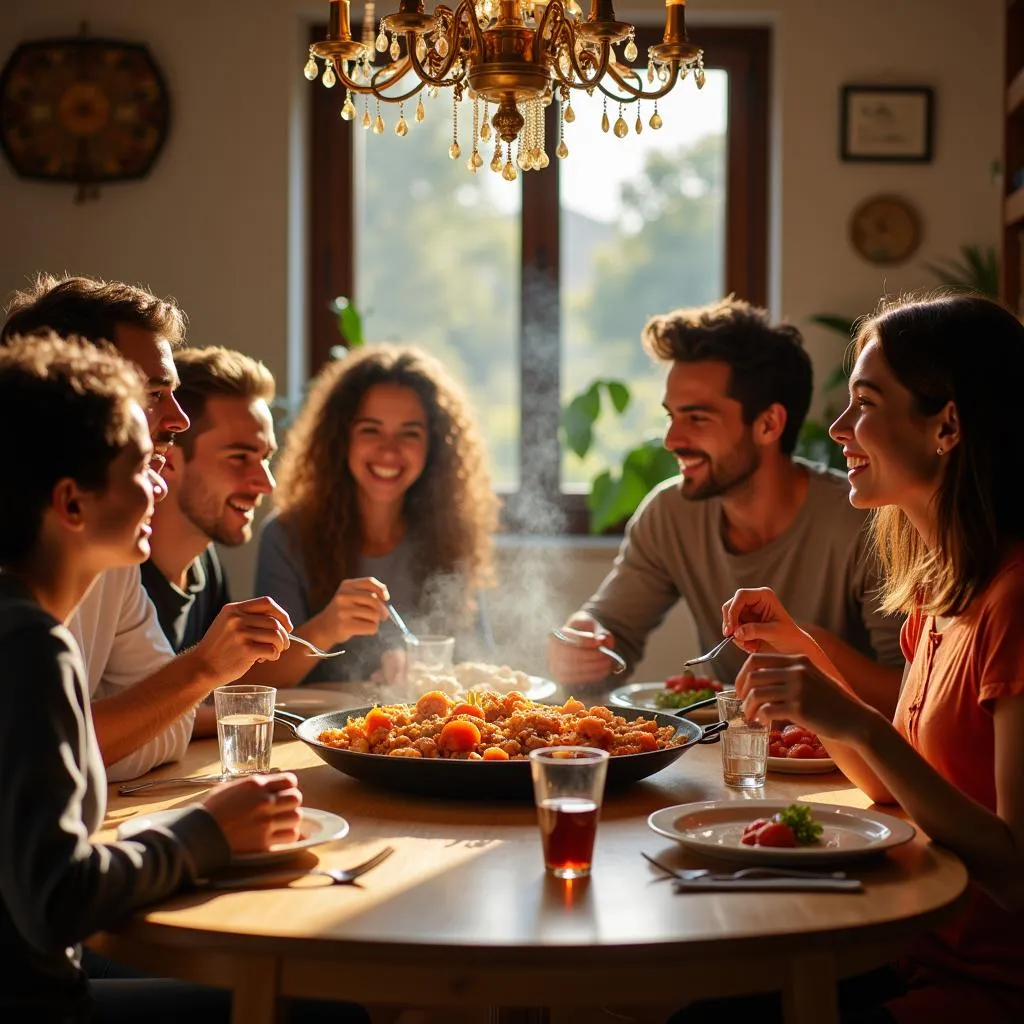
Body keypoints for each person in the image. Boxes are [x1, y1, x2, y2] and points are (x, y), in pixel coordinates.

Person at [697, 293, 1024, 1023]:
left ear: (947, 426)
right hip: (910, 947)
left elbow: (1013, 874)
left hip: (985, 991)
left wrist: (860, 722)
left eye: (864, 404)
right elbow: (895, 793)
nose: (839, 430)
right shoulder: (937, 596)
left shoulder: (1013, 603)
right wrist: (804, 652)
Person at [0, 334, 306, 1023]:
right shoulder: (30, 650)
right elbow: (56, 899)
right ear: (71, 504)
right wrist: (207, 831)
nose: (160, 484)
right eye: (143, 466)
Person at [548, 297, 904, 714]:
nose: (672, 441)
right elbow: (611, 632)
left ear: (768, 424)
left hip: (839, 767)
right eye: (671, 417)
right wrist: (581, 645)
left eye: (697, 418)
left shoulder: (866, 521)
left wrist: (806, 646)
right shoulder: (669, 513)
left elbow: (911, 694)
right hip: (733, 754)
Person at [2, 275, 293, 780]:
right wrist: (200, 669)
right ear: (73, 389)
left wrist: (108, 735)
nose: (179, 420)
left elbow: (166, 727)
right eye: (155, 393)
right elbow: (42, 759)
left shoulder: (112, 558)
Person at [256, 343, 499, 685]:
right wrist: (326, 628)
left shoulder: (451, 537)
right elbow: (261, 681)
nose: (389, 450)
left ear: (435, 447)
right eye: (371, 429)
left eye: (409, 433)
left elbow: (481, 665)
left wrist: (425, 672)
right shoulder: (285, 537)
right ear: (341, 439)